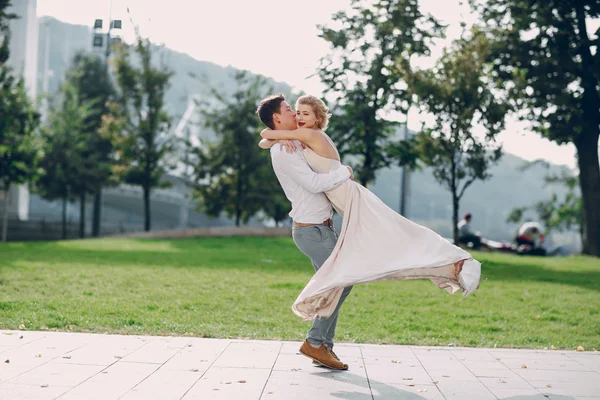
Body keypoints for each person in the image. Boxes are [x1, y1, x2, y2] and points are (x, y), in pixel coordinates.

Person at [256, 94, 354, 370]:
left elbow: (266, 137)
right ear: (278, 118)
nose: (294, 114)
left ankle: (323, 347)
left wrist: (275, 136)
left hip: (323, 228)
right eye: (289, 110)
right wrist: (343, 174)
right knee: (341, 282)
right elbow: (312, 183)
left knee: (335, 284)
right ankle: (315, 342)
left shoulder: (292, 141)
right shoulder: (282, 150)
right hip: (311, 232)